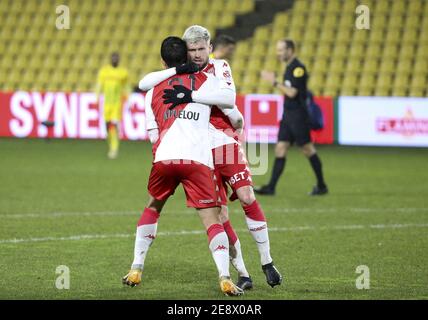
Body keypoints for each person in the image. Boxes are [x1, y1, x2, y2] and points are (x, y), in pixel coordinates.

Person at [138, 26, 283, 289]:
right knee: (220, 214)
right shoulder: (179, 72)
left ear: (210, 48)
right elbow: (145, 84)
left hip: (225, 140)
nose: (196, 55)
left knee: (247, 195)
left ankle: (267, 261)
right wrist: (178, 73)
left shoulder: (219, 67)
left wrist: (193, 96)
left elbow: (228, 98)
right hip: (200, 147)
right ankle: (242, 272)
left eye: (200, 49)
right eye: (191, 50)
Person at [122, 36, 243, 296]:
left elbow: (153, 133)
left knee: (153, 207)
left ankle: (136, 267)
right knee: (212, 219)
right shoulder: (207, 82)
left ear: (163, 61)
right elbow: (232, 110)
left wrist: (162, 157)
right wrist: (238, 126)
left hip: (165, 158)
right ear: (188, 56)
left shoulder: (153, 89)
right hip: (197, 161)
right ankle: (224, 276)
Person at [255, 39, 328, 196]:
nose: (278, 53)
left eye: (281, 50)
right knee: (280, 148)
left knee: (308, 149)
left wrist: (274, 82)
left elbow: (292, 92)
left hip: (299, 116)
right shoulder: (289, 68)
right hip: (288, 115)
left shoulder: (298, 69)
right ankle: (271, 187)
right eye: (278, 50)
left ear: (290, 50)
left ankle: (322, 185)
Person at [95, 52, 129, 159]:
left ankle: (114, 149)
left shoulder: (123, 72)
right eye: (113, 57)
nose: (115, 59)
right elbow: (99, 85)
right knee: (107, 127)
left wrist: (128, 98)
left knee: (113, 125)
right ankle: (111, 145)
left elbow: (126, 86)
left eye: (116, 57)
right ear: (110, 59)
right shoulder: (104, 71)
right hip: (107, 104)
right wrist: (96, 97)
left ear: (119, 59)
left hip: (117, 104)